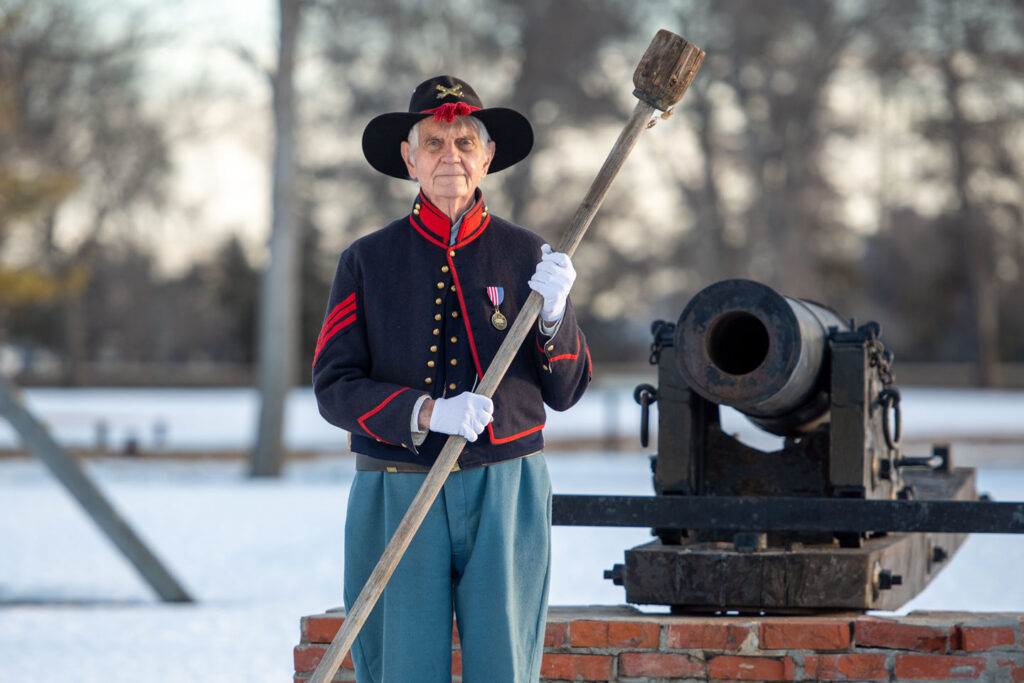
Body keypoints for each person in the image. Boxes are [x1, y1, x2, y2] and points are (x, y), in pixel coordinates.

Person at [312, 75, 592, 683]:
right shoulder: (365, 260)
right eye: (434, 143)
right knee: (400, 669)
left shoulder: (530, 256)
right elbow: (333, 388)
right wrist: (423, 412)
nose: (451, 157)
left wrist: (553, 315)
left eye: (465, 141)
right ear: (409, 159)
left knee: (506, 668)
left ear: (487, 157)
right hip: (395, 485)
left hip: (507, 487)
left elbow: (568, 391)